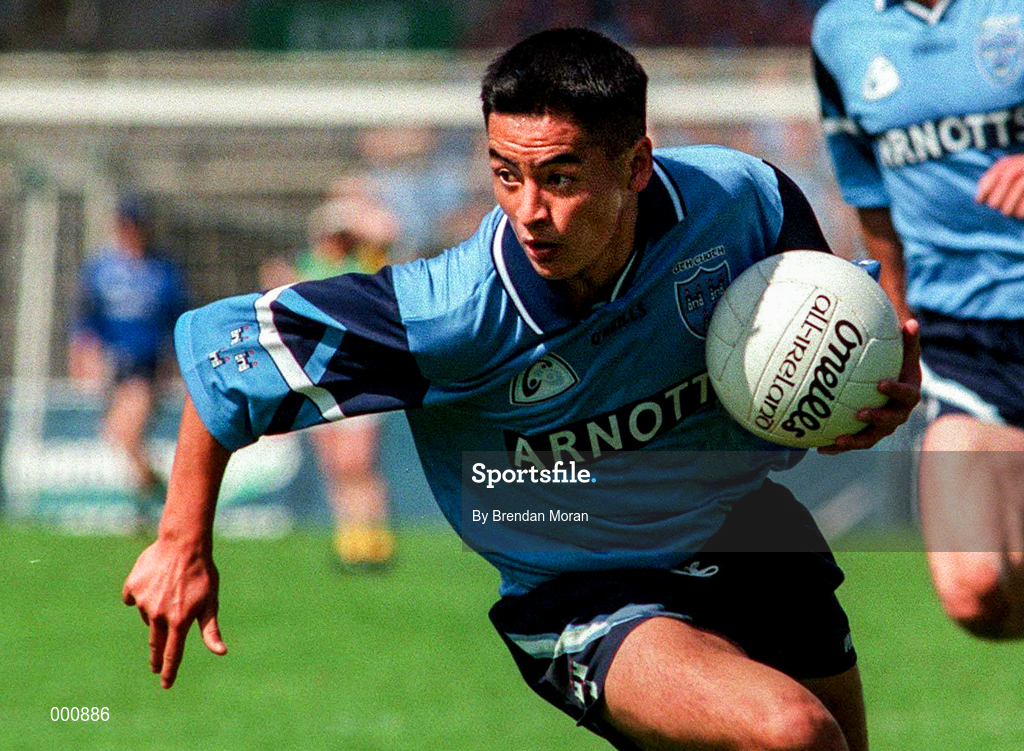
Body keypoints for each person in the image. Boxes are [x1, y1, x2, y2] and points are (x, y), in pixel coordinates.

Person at [124, 29, 920, 751]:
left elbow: (831, 350)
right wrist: (180, 540)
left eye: (560, 177)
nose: (528, 212)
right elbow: (229, 355)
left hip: (744, 532)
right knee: (792, 735)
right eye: (507, 175)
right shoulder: (451, 313)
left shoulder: (742, 200)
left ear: (636, 166)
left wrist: (871, 401)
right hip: (584, 588)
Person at [813, 0, 1024, 640]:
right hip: (962, 344)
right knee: (975, 591)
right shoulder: (839, 31)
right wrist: (896, 331)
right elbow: (871, 196)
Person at [259, 193, 397, 571]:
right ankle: (350, 541)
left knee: (360, 462)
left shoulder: (362, 264)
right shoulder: (306, 265)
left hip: (360, 375)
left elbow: (387, 235)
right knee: (335, 464)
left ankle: (376, 539)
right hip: (318, 377)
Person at [70, 193, 189, 523]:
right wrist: (82, 356)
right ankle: (152, 506)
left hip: (146, 366)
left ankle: (172, 500)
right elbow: (85, 318)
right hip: (112, 365)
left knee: (126, 434)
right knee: (120, 436)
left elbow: (178, 319)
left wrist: (176, 364)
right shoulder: (100, 268)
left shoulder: (163, 270)